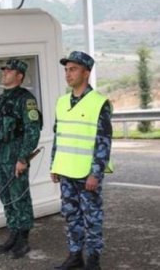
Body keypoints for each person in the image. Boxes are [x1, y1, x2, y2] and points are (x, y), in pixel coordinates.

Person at [50, 51, 113, 270]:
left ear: (86, 72)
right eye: (66, 70)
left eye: (73, 69)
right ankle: (75, 256)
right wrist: (54, 165)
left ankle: (93, 261)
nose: (68, 74)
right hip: (66, 170)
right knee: (71, 216)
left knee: (92, 218)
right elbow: (58, 136)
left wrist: (95, 173)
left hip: (87, 174)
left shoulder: (99, 103)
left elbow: (103, 141)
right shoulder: (61, 102)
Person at [0, 58, 41, 258]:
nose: (4, 73)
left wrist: (23, 158)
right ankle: (13, 233)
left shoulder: (26, 100)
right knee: (6, 198)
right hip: (0, 157)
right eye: (4, 70)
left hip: (16, 157)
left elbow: (32, 131)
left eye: (9, 71)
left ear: (19, 76)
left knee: (19, 197)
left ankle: (23, 239)